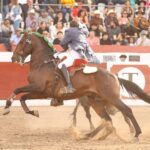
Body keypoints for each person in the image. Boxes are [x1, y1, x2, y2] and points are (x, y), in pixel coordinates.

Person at [54, 20, 99, 93]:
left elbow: (63, 43)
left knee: (61, 65)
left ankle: (69, 86)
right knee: (61, 56)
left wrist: (65, 46)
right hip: (82, 54)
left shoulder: (69, 31)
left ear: (71, 26)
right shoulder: (81, 31)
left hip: (76, 53)